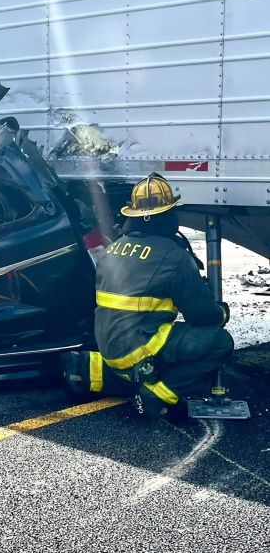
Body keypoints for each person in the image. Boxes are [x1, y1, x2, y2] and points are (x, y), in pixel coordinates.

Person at [63, 173, 233, 417]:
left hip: (108, 344)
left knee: (144, 348)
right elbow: (202, 316)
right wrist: (221, 312)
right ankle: (159, 393)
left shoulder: (113, 248)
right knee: (219, 341)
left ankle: (90, 370)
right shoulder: (173, 257)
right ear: (167, 214)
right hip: (137, 347)